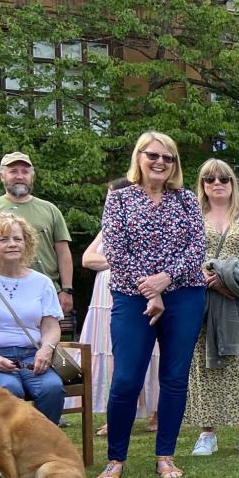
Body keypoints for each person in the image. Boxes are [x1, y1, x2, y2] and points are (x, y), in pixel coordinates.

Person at [98, 131, 207, 478]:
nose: (160, 162)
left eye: (168, 157)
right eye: (153, 155)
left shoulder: (187, 200)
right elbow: (114, 250)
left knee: (174, 379)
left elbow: (196, 249)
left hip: (184, 294)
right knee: (127, 378)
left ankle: (165, 455)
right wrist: (149, 291)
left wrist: (164, 281)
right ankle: (116, 458)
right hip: (132, 296)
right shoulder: (119, 199)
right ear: (139, 158)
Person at [186, 160, 239, 457]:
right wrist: (203, 275)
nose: (217, 183)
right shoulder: (191, 218)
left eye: (224, 178)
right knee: (204, 363)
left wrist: (228, 274)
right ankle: (206, 433)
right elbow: (183, 255)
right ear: (203, 184)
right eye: (209, 178)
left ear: (233, 183)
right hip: (202, 300)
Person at [78, 178, 160, 437]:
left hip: (136, 293)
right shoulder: (107, 228)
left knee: (146, 354)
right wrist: (116, 260)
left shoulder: (145, 223)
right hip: (105, 299)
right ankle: (116, 415)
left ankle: (156, 411)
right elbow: (87, 259)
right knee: (112, 355)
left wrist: (118, 261)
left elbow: (145, 260)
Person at [0, 213, 64, 424]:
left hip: (33, 356)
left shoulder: (42, 282)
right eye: (3, 239)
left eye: (17, 239)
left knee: (52, 388)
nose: (12, 244)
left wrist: (46, 350)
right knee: (8, 389)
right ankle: (7, 452)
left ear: (26, 242)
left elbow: (51, 326)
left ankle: (44, 449)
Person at [0, 152, 75, 316]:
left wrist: (67, 289)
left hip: (45, 289)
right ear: (1, 176)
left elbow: (63, 252)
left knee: (47, 336)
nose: (20, 176)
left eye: (25, 171)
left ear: (32, 177)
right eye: (13, 171)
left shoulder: (50, 209)